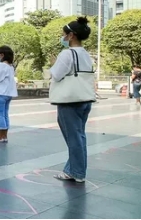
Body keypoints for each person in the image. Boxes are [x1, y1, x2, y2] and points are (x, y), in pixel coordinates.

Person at [50, 16, 95, 183]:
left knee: (73, 138)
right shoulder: (85, 54)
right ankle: (72, 170)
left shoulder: (67, 54)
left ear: (71, 35)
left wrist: (54, 63)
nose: (62, 37)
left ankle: (77, 172)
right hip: (84, 99)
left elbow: (56, 74)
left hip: (69, 101)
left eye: (64, 34)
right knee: (79, 136)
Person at [0, 45, 18, 143]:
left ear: (2, 55)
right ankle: (5, 136)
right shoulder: (10, 66)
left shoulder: (1, 65)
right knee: (5, 115)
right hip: (8, 94)